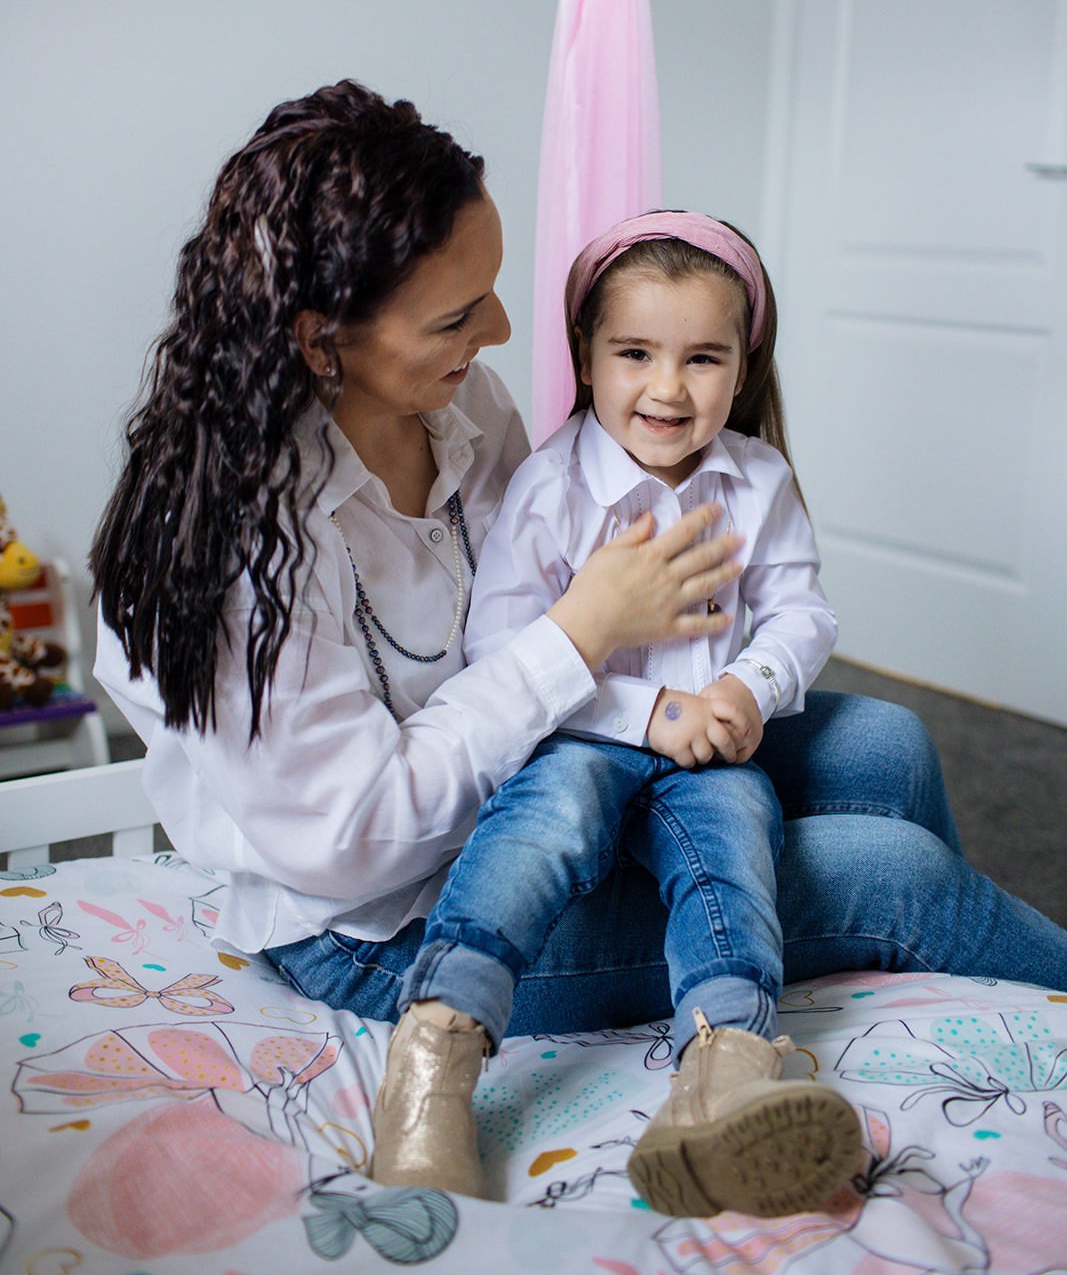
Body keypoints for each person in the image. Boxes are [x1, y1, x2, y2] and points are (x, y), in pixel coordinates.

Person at [91, 79, 1067, 1214]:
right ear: (319, 339)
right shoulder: (240, 546)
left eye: (491, 293)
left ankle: (961, 1039)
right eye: (456, 317)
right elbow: (360, 831)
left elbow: (695, 606)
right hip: (383, 907)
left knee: (887, 745)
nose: (500, 332)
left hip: (563, 757)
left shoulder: (469, 417)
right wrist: (586, 642)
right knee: (895, 875)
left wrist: (712, 685)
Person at [370, 210, 863, 1218]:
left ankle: (722, 1065)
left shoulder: (756, 483)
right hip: (584, 740)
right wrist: (651, 709)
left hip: (710, 753)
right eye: (634, 352)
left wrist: (742, 688)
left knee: (735, 845)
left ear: (741, 365)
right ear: (586, 360)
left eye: (701, 358)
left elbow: (800, 613)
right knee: (541, 826)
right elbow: (503, 648)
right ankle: (438, 1046)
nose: (667, 388)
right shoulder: (551, 487)